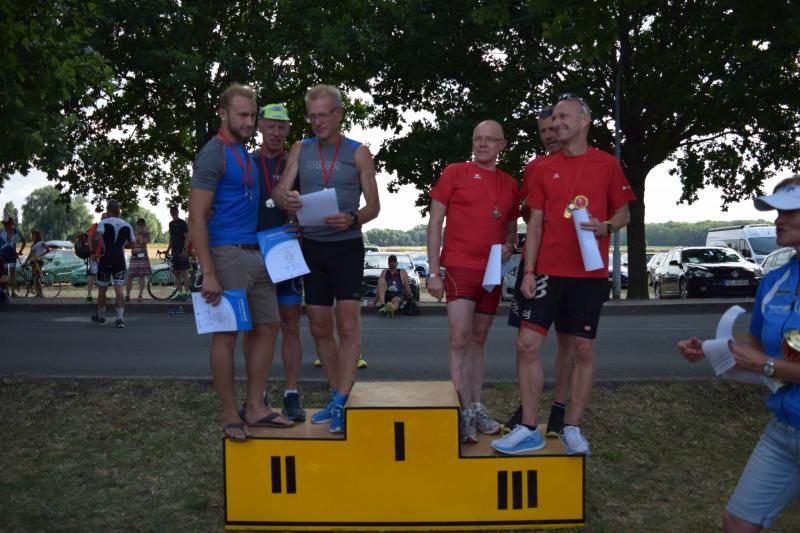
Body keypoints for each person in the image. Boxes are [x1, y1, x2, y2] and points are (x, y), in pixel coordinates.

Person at [491, 94, 635, 456]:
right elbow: (535, 224)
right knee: (526, 344)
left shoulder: (607, 164)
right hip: (546, 271)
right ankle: (528, 427)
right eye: (553, 117)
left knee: (583, 347)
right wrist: (529, 270)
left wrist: (605, 227)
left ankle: (572, 426)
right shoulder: (542, 168)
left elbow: (624, 214)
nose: (556, 123)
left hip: (588, 274)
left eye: (563, 116)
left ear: (585, 120)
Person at [678, 176, 800, 532]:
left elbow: (766, 359)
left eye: (790, 213)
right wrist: (708, 348)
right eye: (777, 212)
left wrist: (767, 366)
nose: (778, 220)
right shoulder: (776, 280)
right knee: (737, 523)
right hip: (784, 429)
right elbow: (760, 341)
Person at [273, 84, 380, 433]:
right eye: (312, 116)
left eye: (322, 115)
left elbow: (374, 206)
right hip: (312, 246)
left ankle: (341, 399)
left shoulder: (358, 152)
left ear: (339, 114)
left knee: (347, 325)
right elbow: (280, 189)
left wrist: (353, 218)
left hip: (347, 246)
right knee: (319, 326)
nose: (317, 122)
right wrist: (286, 198)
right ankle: (337, 398)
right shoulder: (300, 148)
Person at [189, 84, 292, 443]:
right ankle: (230, 414)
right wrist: (209, 272)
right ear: (223, 114)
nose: (249, 122)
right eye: (242, 115)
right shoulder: (213, 154)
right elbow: (196, 216)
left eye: (252, 115)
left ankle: (256, 407)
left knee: (269, 326)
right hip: (227, 254)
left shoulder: (245, 155)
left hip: (257, 252)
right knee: (228, 334)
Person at [426, 119, 519, 443]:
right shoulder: (455, 173)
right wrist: (433, 272)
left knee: (478, 339)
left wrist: (510, 246)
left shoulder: (510, 184)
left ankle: (477, 405)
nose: (482, 144)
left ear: (501, 145)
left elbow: (510, 230)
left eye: (490, 140)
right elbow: (435, 223)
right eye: (477, 138)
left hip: (491, 271)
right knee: (459, 337)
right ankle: (463, 410)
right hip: (459, 266)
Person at [503, 106, 575, 438]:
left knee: (568, 340)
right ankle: (527, 408)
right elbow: (526, 211)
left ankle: (559, 408)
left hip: (574, 267)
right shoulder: (535, 167)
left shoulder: (585, 164)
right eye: (543, 131)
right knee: (526, 343)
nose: (549, 135)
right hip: (537, 265)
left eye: (553, 129)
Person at [252, 102, 306, 422]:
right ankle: (257, 394)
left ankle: (291, 393)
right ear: (260, 126)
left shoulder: (296, 165)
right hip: (253, 253)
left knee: (290, 322)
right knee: (258, 326)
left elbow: (309, 206)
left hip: (286, 252)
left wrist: (302, 224)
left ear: (288, 130)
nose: (275, 132)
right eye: (270, 126)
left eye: (281, 127)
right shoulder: (247, 163)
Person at [91, 199, 133, 328]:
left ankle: (101, 316)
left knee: (102, 289)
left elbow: (95, 238)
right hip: (119, 259)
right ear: (119, 210)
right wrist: (122, 245)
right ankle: (119, 319)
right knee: (119, 291)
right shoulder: (127, 225)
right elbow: (133, 244)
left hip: (106, 258)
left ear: (108, 210)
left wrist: (93, 253)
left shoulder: (104, 223)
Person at [165, 206, 190, 301]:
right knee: (176, 273)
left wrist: (185, 250)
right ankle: (180, 293)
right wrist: (168, 250)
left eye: (175, 212)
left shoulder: (183, 223)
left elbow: (187, 237)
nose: (173, 214)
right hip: (174, 252)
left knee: (184, 273)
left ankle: (187, 293)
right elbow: (171, 238)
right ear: (170, 213)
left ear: (178, 212)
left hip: (182, 251)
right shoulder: (170, 224)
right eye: (172, 212)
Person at [125, 218, 152, 302]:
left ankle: (140, 295)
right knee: (130, 276)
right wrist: (132, 244)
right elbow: (127, 244)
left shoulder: (146, 233)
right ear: (136, 225)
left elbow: (142, 243)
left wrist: (139, 234)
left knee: (142, 276)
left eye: (142, 224)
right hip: (134, 256)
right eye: (139, 224)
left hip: (143, 257)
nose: (140, 226)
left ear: (144, 225)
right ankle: (127, 295)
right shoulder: (132, 233)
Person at [1, 214, 26, 297]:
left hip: (12, 254)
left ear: (11, 223)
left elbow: (24, 241)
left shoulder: (17, 231)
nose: (5, 225)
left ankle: (13, 292)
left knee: (12, 274)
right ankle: (6, 291)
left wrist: (20, 251)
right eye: (4, 223)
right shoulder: (1, 231)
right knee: (4, 274)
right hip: (3, 254)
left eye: (6, 223)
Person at [85, 213, 107, 303]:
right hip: (95, 255)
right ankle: (89, 295)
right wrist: (92, 252)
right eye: (103, 218)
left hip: (104, 255)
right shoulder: (95, 226)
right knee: (92, 275)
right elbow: (89, 239)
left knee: (103, 276)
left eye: (106, 218)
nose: (105, 220)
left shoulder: (108, 227)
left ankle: (102, 296)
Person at [24, 230, 50, 297]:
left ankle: (40, 293)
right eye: (32, 236)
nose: (32, 237)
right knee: (35, 278)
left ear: (37, 236)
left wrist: (41, 255)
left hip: (39, 261)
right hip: (33, 262)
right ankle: (38, 293)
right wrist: (25, 262)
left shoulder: (41, 243)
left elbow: (48, 250)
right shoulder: (33, 245)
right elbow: (30, 254)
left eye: (33, 235)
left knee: (36, 278)